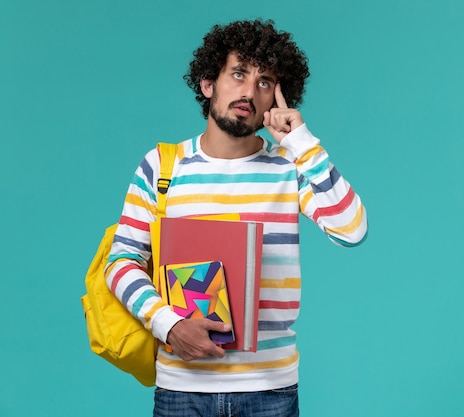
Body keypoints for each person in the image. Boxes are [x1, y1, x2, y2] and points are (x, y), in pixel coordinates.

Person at [105, 18, 368, 417]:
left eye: (264, 82)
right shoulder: (161, 167)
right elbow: (120, 262)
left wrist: (302, 142)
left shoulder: (290, 166)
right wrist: (167, 325)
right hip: (181, 389)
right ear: (208, 83)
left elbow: (352, 229)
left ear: (276, 98)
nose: (249, 91)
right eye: (239, 74)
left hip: (270, 390)